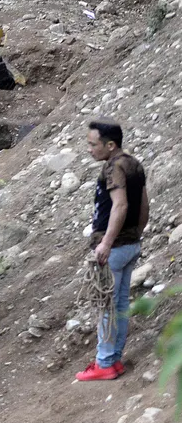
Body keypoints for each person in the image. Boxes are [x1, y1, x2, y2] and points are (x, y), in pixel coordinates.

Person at [76, 121, 149, 381]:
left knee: (107, 306)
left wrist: (106, 243)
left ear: (110, 144)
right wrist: (136, 235)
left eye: (92, 144)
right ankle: (114, 359)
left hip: (114, 248)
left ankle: (105, 362)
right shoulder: (134, 164)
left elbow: (120, 206)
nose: (89, 149)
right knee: (119, 305)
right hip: (130, 244)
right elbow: (143, 205)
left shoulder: (114, 167)